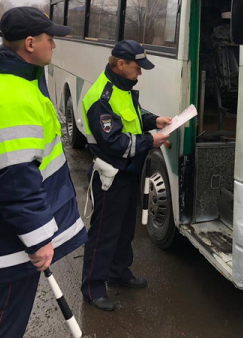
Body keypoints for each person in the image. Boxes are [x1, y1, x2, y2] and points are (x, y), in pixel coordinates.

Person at [0, 7, 88, 337]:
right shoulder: (10, 98)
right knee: (0, 325)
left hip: (5, 233)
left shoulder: (2, 84)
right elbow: (14, 180)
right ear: (30, 43)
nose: (54, 45)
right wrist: (37, 239)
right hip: (11, 242)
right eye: (50, 39)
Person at [80, 40, 171, 311]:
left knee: (124, 229)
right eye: (137, 67)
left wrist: (155, 121)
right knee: (104, 233)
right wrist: (150, 141)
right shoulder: (101, 98)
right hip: (111, 175)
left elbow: (133, 116)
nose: (140, 72)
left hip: (128, 173)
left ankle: (118, 272)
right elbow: (115, 143)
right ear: (121, 64)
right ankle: (93, 287)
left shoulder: (121, 88)